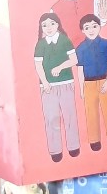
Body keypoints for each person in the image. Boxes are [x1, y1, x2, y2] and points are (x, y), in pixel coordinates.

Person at [33, 12, 80, 163]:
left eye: (52, 24)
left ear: (58, 24)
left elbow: (74, 60)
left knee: (70, 116)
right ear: (41, 28)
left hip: (66, 83)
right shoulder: (40, 44)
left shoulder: (64, 40)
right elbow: (38, 65)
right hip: (47, 87)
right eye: (44, 25)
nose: (49, 27)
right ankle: (55, 150)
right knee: (51, 118)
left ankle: (73, 146)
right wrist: (45, 82)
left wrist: (60, 67)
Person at [75, 13, 107, 152]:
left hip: (104, 80)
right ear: (83, 30)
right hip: (88, 84)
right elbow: (80, 70)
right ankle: (94, 140)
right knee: (91, 113)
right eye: (87, 27)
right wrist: (82, 88)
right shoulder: (80, 48)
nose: (91, 30)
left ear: (99, 27)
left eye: (94, 26)